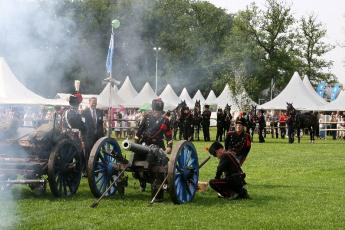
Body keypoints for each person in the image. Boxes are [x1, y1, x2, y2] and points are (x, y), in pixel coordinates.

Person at [134, 98, 173, 200]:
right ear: (153, 109)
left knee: (161, 165)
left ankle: (159, 183)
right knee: (135, 162)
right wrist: (135, 145)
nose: (157, 113)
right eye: (156, 111)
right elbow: (139, 132)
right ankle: (141, 181)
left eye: (158, 111)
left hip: (158, 144)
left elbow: (168, 134)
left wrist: (169, 146)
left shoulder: (165, 120)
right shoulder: (146, 117)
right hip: (145, 144)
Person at [81, 97, 104, 164]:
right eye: (93, 102)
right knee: (88, 154)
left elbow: (101, 125)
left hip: (98, 137)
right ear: (89, 102)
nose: (94, 104)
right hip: (88, 137)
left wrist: (102, 136)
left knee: (97, 153)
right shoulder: (84, 112)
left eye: (95, 102)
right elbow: (82, 126)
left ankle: (95, 168)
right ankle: (88, 170)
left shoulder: (100, 112)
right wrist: (82, 138)